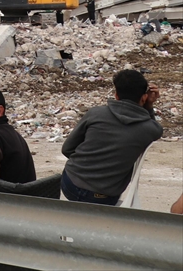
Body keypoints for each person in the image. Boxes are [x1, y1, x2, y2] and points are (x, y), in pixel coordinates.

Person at [61, 69, 162, 205]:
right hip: (106, 196)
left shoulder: (95, 114)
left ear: (116, 95)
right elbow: (153, 125)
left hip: (71, 184)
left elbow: (67, 149)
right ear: (143, 98)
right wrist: (149, 106)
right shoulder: (150, 129)